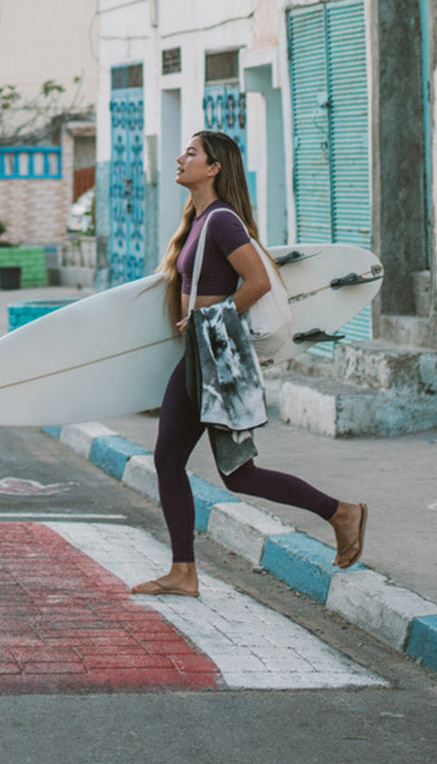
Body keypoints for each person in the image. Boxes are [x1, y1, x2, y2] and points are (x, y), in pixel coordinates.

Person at [132, 130, 367, 597]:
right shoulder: (198, 220)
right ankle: (183, 571)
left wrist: (209, 319)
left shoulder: (222, 221)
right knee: (174, 460)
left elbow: (257, 281)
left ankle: (342, 512)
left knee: (235, 473)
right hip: (201, 355)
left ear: (214, 167)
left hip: (219, 359)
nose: (180, 159)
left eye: (192, 153)